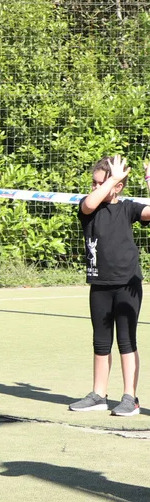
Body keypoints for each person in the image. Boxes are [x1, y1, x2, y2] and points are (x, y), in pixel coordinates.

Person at [68, 155, 150, 417]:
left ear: (118, 187)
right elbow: (90, 202)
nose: (96, 187)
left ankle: (130, 398)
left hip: (128, 284)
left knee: (126, 341)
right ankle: (98, 395)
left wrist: (149, 181)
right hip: (99, 284)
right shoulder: (89, 207)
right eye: (94, 183)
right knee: (101, 342)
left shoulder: (128, 208)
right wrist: (110, 180)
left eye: (101, 183)